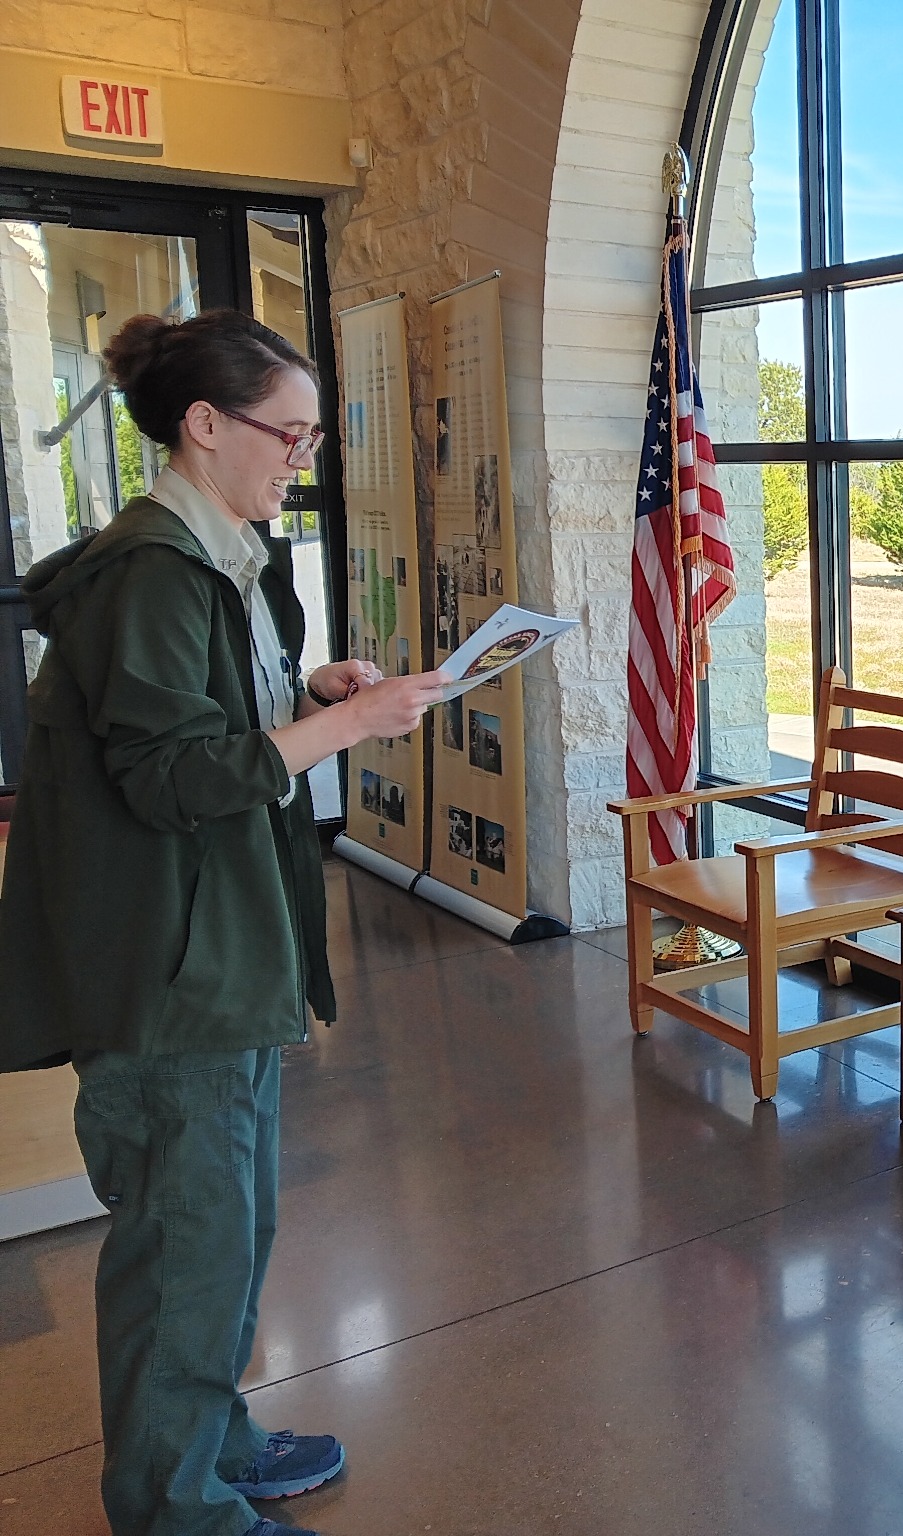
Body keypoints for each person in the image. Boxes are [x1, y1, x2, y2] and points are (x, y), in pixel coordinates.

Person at [0, 309, 444, 1536]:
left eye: (311, 438)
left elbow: (207, 712)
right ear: (203, 424)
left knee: (230, 1231)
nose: (301, 458)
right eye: (287, 434)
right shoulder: (153, 568)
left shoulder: (218, 554)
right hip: (169, 973)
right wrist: (345, 728)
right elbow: (169, 778)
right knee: (184, 1248)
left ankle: (212, 1441)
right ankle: (172, 1507)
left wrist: (306, 690)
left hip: (223, 953)